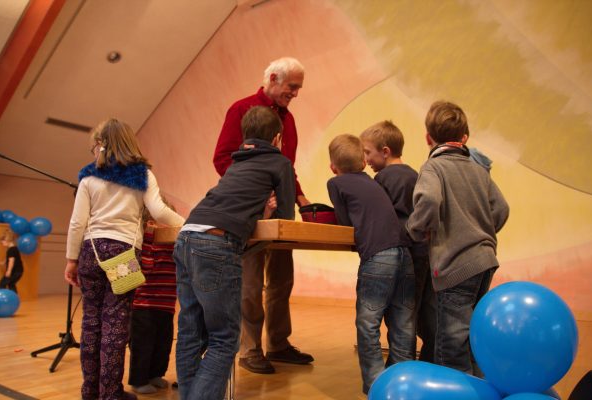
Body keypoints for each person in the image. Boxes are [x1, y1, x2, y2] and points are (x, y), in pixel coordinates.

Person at [174, 106, 295, 399]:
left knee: (191, 332)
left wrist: (259, 211)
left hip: (187, 236)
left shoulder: (235, 164)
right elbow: (286, 217)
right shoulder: (279, 163)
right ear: (278, 138)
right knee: (225, 339)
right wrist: (270, 211)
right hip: (216, 244)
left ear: (244, 137)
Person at [65, 118, 184, 400]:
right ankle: (110, 393)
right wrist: (189, 224)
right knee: (116, 324)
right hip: (124, 253)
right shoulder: (143, 174)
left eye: (94, 145)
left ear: (100, 145)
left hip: (90, 252)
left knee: (91, 323)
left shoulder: (89, 177)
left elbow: (76, 223)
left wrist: (71, 260)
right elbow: (160, 212)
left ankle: (90, 392)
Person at [213, 57, 313, 374]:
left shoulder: (290, 120)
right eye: (292, 86)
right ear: (272, 78)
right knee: (251, 283)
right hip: (250, 212)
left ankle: (279, 345)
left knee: (282, 280)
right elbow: (222, 159)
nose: (295, 93)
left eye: (298, 87)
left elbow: (286, 167)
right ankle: (250, 348)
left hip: (282, 211)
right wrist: (255, 189)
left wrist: (300, 197)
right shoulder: (240, 110)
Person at [406, 101, 509, 375]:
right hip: (485, 259)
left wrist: (416, 229)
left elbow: (427, 200)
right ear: (465, 137)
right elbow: (501, 209)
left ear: (428, 138)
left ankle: (458, 390)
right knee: (471, 331)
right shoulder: (478, 170)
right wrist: (480, 232)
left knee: (450, 340)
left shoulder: (433, 168)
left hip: (455, 264)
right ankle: (478, 385)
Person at [326, 134, 416, 394]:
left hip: (378, 257)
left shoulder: (336, 183)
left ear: (333, 166)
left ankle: (377, 386)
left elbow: (345, 223)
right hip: (404, 253)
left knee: (368, 323)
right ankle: (402, 385)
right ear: (363, 162)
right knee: (403, 323)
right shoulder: (373, 182)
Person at [360, 120, 436, 362]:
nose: (366, 159)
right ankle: (415, 363)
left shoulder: (383, 179)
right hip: (422, 253)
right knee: (413, 311)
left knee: (398, 314)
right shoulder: (416, 175)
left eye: (368, 152)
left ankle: (398, 365)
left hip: (400, 253)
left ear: (385, 151)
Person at [128, 206, 177, 395]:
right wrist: (148, 238)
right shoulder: (145, 245)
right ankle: (139, 379)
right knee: (143, 345)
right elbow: (145, 268)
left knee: (163, 343)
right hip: (144, 306)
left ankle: (156, 373)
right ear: (151, 223)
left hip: (166, 306)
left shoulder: (172, 245)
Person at [0, 229, 24, 293]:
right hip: (19, 271)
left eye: (2, 242)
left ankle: (2, 298)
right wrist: (3, 262)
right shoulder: (14, 248)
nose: (2, 244)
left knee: (2, 283)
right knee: (11, 284)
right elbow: (10, 258)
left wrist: (9, 271)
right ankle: (14, 298)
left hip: (14, 272)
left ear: (7, 240)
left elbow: (11, 261)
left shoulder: (11, 250)